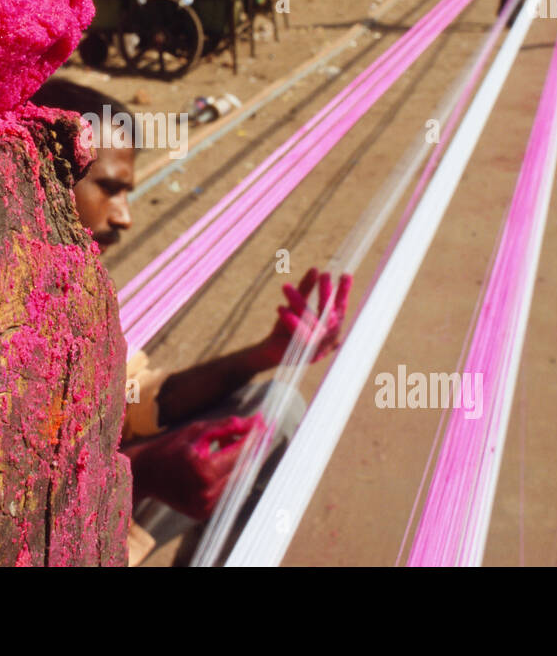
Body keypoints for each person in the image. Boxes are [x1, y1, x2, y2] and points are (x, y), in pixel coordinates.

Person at [31, 77, 351, 564]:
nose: (124, 219)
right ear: (41, 182)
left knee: (274, 408)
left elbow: (136, 398)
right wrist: (141, 472)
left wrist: (267, 353)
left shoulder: (78, 296)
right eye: (109, 189)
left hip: (111, 501)